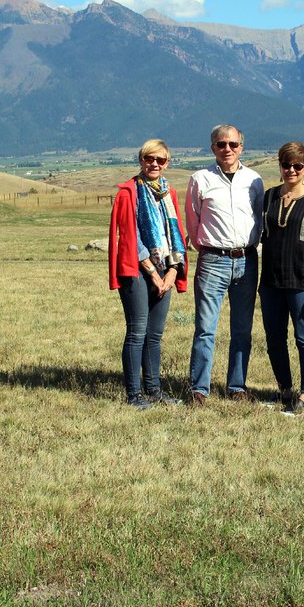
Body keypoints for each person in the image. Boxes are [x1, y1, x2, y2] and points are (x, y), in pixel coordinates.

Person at [185, 124, 264, 404]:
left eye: (232, 144)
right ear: (213, 148)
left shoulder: (254, 180)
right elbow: (193, 221)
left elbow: (258, 218)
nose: (227, 149)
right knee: (205, 328)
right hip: (212, 260)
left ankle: (237, 386)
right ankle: (199, 389)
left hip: (247, 260)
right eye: (221, 144)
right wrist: (208, 248)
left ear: (241, 147)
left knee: (242, 328)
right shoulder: (200, 179)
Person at [108, 139, 188, 409]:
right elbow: (130, 237)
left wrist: (173, 271)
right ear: (141, 160)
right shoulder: (128, 193)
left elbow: (174, 234)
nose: (154, 164)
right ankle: (134, 394)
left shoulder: (168, 193)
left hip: (166, 266)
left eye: (160, 160)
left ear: (167, 163)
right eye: (149, 159)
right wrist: (153, 273)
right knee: (137, 331)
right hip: (137, 270)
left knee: (154, 334)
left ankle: (154, 390)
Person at [260, 142, 304, 412]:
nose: (291, 170)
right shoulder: (269, 197)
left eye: (297, 166)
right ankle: (285, 389)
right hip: (271, 281)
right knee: (274, 339)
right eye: (286, 165)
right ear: (279, 166)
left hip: (302, 280)